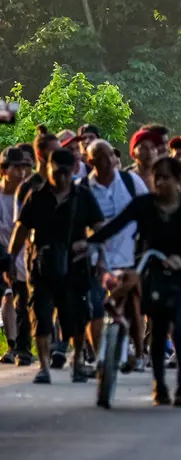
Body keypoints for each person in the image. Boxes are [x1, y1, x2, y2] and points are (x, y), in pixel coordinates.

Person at [83, 156, 181, 407]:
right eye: (156, 177)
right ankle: (159, 385)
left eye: (166, 178)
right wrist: (87, 242)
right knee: (159, 329)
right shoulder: (143, 205)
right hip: (153, 272)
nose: (160, 183)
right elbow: (115, 226)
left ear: (178, 180)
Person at [6, 148, 104, 384]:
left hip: (76, 265)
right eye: (56, 172)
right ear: (47, 168)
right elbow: (21, 229)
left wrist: (91, 249)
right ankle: (44, 367)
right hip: (43, 264)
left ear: (73, 171)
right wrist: (10, 260)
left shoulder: (83, 196)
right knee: (40, 316)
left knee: (77, 316)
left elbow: (99, 228)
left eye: (66, 173)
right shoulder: (36, 196)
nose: (61, 178)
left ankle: (79, 360)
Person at [82, 138, 149, 372]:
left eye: (111, 155)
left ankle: (139, 353)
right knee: (96, 306)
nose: (109, 160)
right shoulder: (83, 189)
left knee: (133, 307)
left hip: (129, 256)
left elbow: (147, 213)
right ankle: (103, 357)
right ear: (91, 162)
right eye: (101, 157)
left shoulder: (131, 183)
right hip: (95, 259)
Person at [0, 146, 33, 366]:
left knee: (20, 300)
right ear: (3, 170)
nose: (21, 173)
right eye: (16, 168)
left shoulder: (27, 193)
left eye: (24, 168)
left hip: (22, 252)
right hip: (0, 250)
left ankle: (20, 348)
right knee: (7, 295)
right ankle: (14, 345)